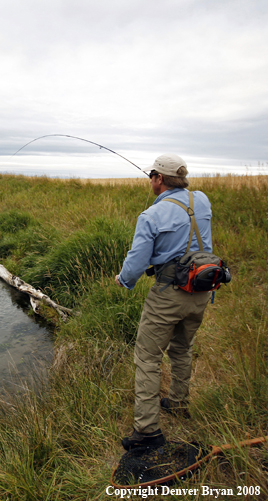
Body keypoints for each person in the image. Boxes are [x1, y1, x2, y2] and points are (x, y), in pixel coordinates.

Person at [115, 153, 213, 451]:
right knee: (182, 348)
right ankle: (179, 403)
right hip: (201, 289)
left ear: (159, 179)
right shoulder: (203, 201)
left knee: (147, 358)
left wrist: (124, 280)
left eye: (151, 176)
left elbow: (136, 261)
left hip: (168, 293)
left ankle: (147, 431)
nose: (150, 181)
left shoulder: (151, 216)